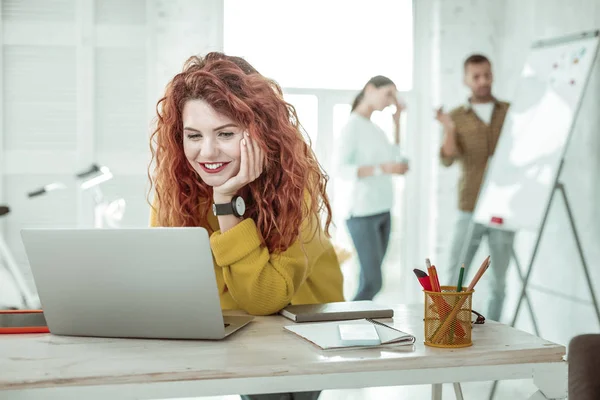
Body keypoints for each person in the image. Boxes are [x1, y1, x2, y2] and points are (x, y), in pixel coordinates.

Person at [148, 52, 344, 400]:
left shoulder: (295, 181)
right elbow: (164, 278)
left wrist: (225, 202)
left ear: (258, 132)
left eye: (224, 133)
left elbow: (264, 298)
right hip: (230, 332)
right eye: (193, 135)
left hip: (301, 329)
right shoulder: (177, 186)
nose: (207, 152)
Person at [436, 54, 515, 321]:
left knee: (499, 282)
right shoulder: (456, 116)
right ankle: (449, 327)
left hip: (504, 207)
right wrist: (448, 128)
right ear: (466, 80)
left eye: (487, 75)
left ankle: (495, 330)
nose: (483, 81)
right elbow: (446, 158)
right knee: (455, 273)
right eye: (476, 76)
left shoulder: (509, 111)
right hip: (470, 205)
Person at [334, 76, 409, 301]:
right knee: (372, 282)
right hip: (362, 214)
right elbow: (341, 169)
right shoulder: (352, 126)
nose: (391, 101)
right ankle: (350, 324)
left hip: (383, 209)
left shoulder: (375, 128)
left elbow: (394, 156)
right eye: (388, 94)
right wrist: (382, 168)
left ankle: (359, 325)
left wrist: (397, 122)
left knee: (372, 281)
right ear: (369, 89)